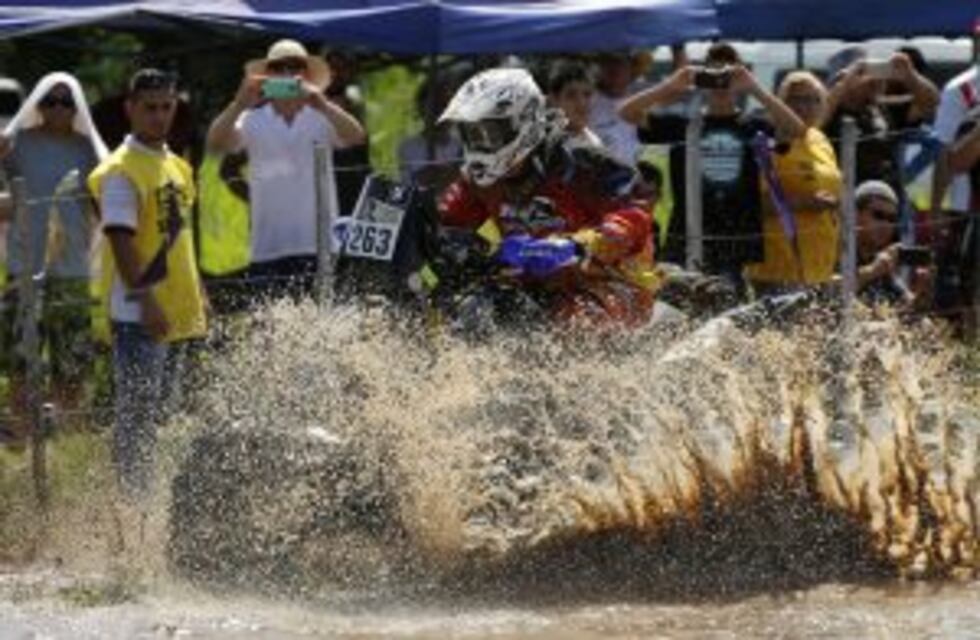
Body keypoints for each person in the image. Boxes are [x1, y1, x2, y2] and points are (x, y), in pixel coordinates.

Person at [437, 67, 658, 327]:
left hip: (611, 283)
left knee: (576, 322)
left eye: (490, 132)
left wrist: (579, 245)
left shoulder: (582, 162)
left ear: (524, 120)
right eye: (472, 134)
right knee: (463, 311)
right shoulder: (482, 177)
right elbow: (448, 220)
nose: (481, 143)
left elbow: (636, 214)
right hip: (530, 285)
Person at [88, 69, 207, 499]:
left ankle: (146, 502)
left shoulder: (176, 165)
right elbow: (120, 240)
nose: (160, 116)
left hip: (176, 309)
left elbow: (178, 238)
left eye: (166, 107)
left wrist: (199, 294)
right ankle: (132, 509)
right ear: (130, 110)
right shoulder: (121, 170)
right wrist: (146, 300)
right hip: (141, 314)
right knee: (138, 420)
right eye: (150, 108)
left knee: (159, 417)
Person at [618, 42, 806, 291]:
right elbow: (627, 112)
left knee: (725, 308)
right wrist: (671, 86)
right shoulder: (684, 125)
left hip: (734, 237)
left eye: (727, 76)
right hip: (687, 233)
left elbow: (796, 130)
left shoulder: (752, 126)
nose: (720, 84)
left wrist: (755, 89)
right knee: (679, 306)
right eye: (713, 75)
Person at [206, 39, 366, 302]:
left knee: (321, 329)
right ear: (267, 75)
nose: (288, 73)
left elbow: (356, 137)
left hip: (319, 245)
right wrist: (238, 104)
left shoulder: (323, 116)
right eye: (279, 67)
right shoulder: (252, 119)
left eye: (296, 67)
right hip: (268, 248)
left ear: (307, 75)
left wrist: (322, 103)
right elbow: (215, 144)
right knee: (271, 336)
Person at [0, 72, 107, 446]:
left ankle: (67, 441)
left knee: (72, 365)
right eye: (50, 101)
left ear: (77, 108)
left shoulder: (88, 149)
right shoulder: (16, 145)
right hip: (22, 268)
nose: (58, 108)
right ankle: (22, 439)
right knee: (19, 361)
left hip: (72, 269)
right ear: (37, 105)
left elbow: (108, 202)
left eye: (66, 102)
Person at [745, 71, 842, 290]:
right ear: (780, 103)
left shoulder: (819, 140)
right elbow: (753, 204)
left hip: (819, 265)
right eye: (797, 100)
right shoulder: (768, 141)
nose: (805, 106)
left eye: (814, 100)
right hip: (779, 266)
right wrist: (805, 203)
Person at [821, 46, 939, 193]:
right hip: (848, 202)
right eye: (862, 73)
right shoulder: (831, 112)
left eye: (873, 72)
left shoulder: (882, 108)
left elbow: (931, 102)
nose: (872, 80)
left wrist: (910, 76)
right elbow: (815, 124)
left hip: (887, 202)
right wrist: (845, 84)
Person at [850, 180, 934, 313]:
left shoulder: (882, 260)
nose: (885, 224)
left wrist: (922, 292)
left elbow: (905, 308)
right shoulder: (837, 250)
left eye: (891, 219)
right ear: (854, 214)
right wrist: (872, 271)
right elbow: (824, 292)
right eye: (878, 215)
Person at [397, 75, 463, 192]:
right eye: (437, 106)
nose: (443, 112)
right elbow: (416, 185)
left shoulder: (463, 146)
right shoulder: (409, 147)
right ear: (422, 108)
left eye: (447, 105)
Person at [547, 60, 602, 150]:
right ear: (554, 100)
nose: (582, 103)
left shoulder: (594, 142)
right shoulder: (544, 146)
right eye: (571, 95)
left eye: (587, 94)